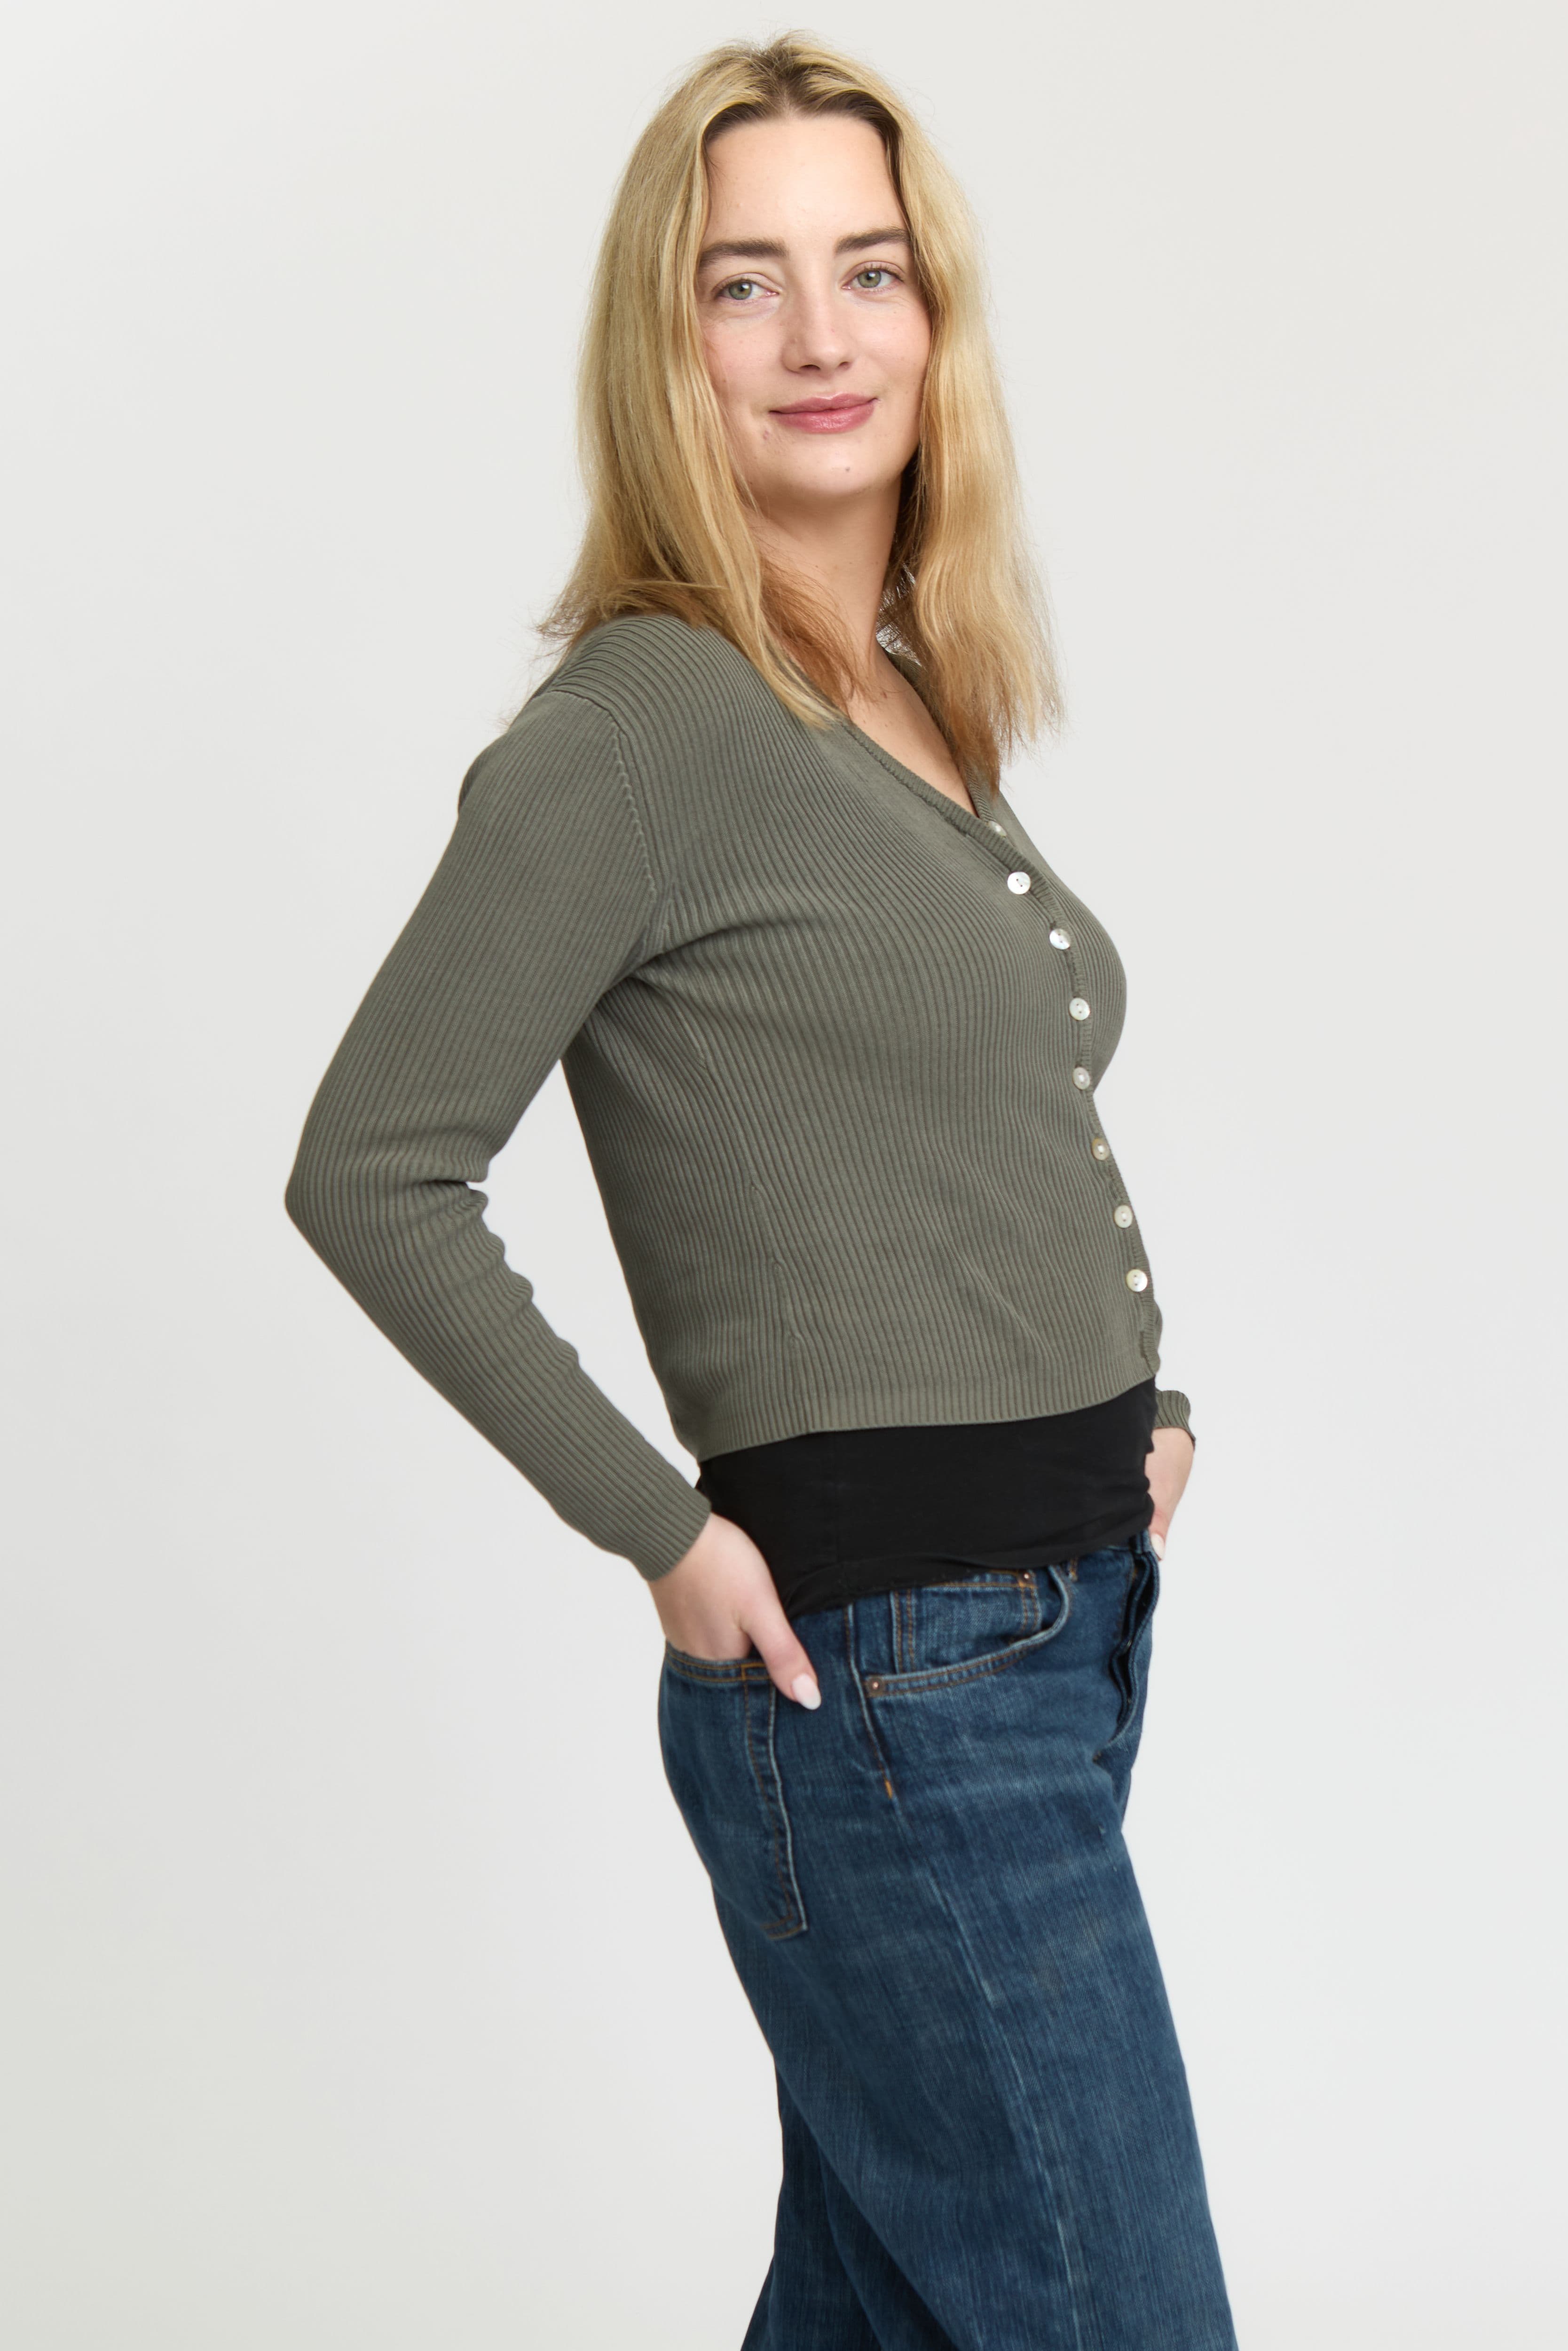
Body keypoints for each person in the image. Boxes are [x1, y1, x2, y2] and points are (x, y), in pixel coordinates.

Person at [285, 33, 1237, 2351]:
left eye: (870, 269)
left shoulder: (902, 687)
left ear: (935, 315)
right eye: (746, 282)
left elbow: (951, 1110)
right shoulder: (645, 722)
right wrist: (664, 1527)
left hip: (1052, 1627)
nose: (822, 334)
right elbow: (374, 1165)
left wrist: (1146, 1401)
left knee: (888, 2307)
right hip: (896, 1673)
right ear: (666, 339)